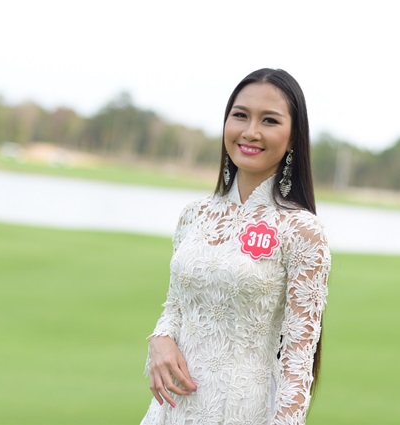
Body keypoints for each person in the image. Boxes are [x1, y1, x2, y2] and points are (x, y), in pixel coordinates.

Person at [140, 68, 331, 425]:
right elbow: (176, 304)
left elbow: (298, 358)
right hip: (171, 411)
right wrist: (161, 338)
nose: (250, 131)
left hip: (241, 411)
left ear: (293, 137)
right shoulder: (194, 215)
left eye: (269, 120)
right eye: (240, 115)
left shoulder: (301, 230)